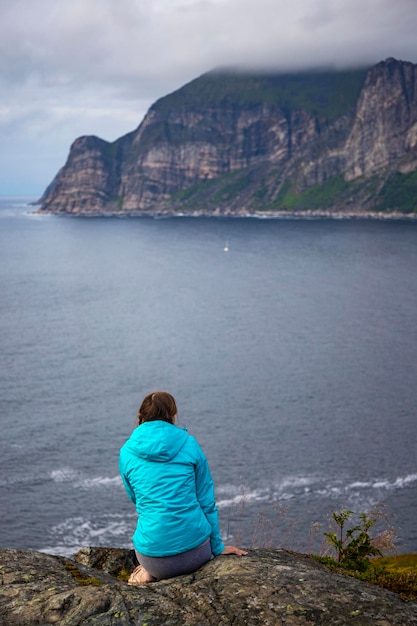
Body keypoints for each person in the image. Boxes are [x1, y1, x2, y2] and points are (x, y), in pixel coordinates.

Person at [119, 391, 247, 585]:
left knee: (149, 539)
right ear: (173, 415)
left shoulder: (127, 452)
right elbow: (206, 500)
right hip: (195, 554)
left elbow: (135, 497)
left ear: (141, 416)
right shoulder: (189, 443)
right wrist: (218, 547)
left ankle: (147, 573)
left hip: (153, 558)